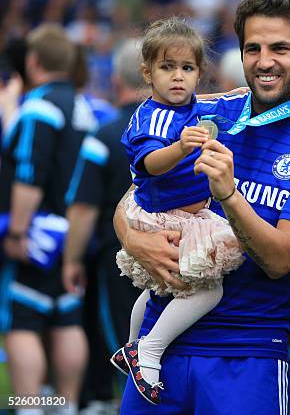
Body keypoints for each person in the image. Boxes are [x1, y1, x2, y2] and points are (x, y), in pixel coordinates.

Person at [114, 0, 290, 414]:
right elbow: (134, 197)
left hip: (247, 353)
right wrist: (133, 240)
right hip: (158, 351)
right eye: (253, 48)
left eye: (280, 48)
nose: (264, 62)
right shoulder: (204, 112)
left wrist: (229, 194)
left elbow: (282, 259)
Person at [107, 18, 246, 405]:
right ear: (147, 72)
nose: (178, 77)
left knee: (158, 287)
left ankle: (133, 346)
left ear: (200, 73)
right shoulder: (152, 115)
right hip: (164, 215)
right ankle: (148, 350)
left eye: (187, 68)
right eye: (168, 68)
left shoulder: (193, 107)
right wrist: (181, 148)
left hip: (189, 213)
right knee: (208, 289)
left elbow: (232, 99)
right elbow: (149, 163)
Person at [0, 24, 87, 414]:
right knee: (67, 319)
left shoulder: (38, 107)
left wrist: (17, 231)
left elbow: (29, 173)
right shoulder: (83, 106)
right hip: (75, 230)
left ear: (33, 61)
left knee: (23, 323)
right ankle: (66, 405)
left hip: (38, 231)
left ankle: (29, 407)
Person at [62, 38, 146, 411]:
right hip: (181, 254)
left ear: (115, 80)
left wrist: (71, 260)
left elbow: (82, 208)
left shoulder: (104, 135)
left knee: (128, 351)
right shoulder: (184, 130)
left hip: (120, 261)